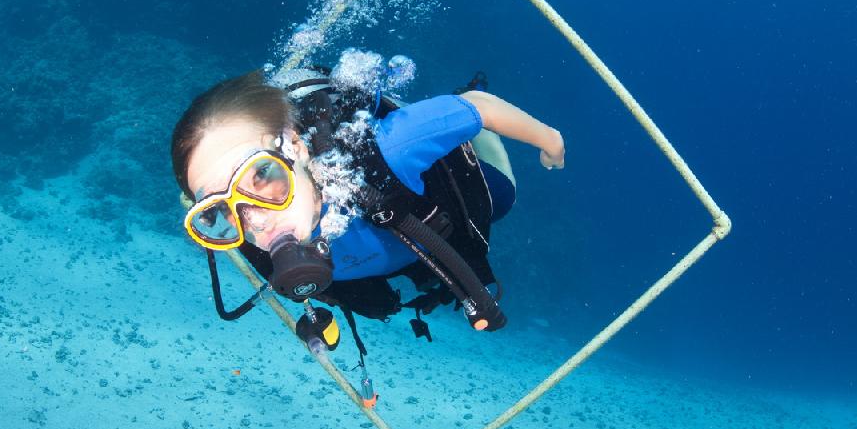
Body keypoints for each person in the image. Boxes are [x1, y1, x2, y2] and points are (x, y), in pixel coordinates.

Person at [169, 66, 565, 337]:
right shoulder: (237, 231)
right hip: (399, 254)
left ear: (295, 146)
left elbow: (485, 108)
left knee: (503, 196)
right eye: (218, 209)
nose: (255, 221)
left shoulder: (386, 153)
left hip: (426, 203)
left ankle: (458, 119)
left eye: (260, 176)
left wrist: (551, 140)